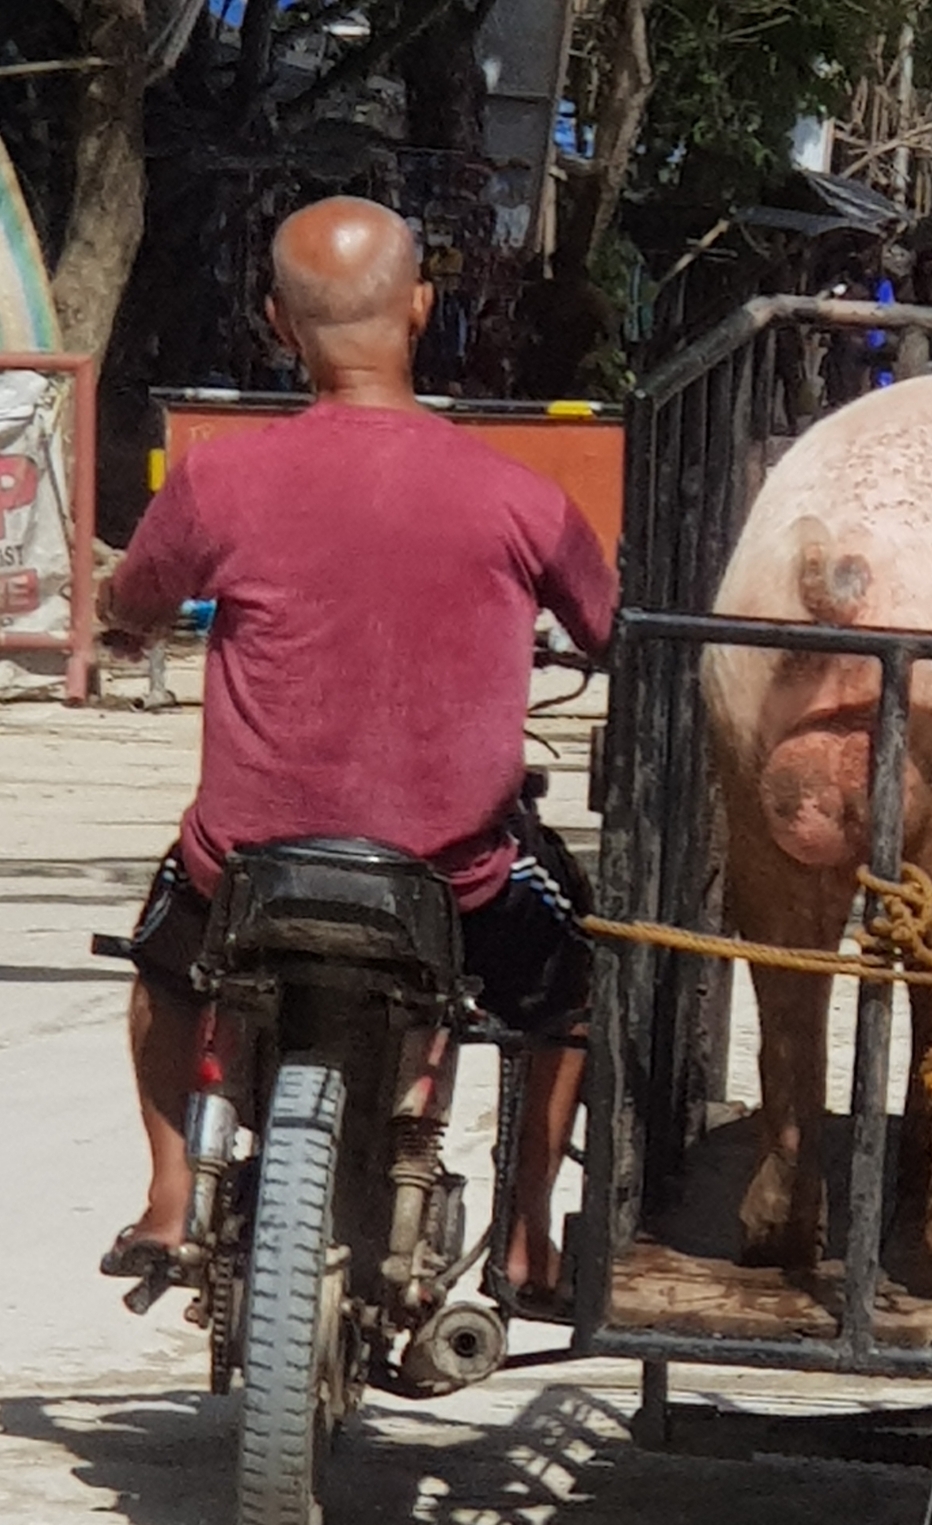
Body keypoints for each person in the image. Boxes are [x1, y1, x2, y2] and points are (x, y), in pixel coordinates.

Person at [97, 196, 618, 1307]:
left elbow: (134, 603)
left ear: (280, 324)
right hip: (455, 879)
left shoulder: (215, 482)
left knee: (160, 965)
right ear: (420, 308)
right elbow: (615, 629)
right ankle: (528, 1235)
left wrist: (122, 618)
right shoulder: (522, 498)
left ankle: (172, 1198)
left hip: (244, 869)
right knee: (572, 990)